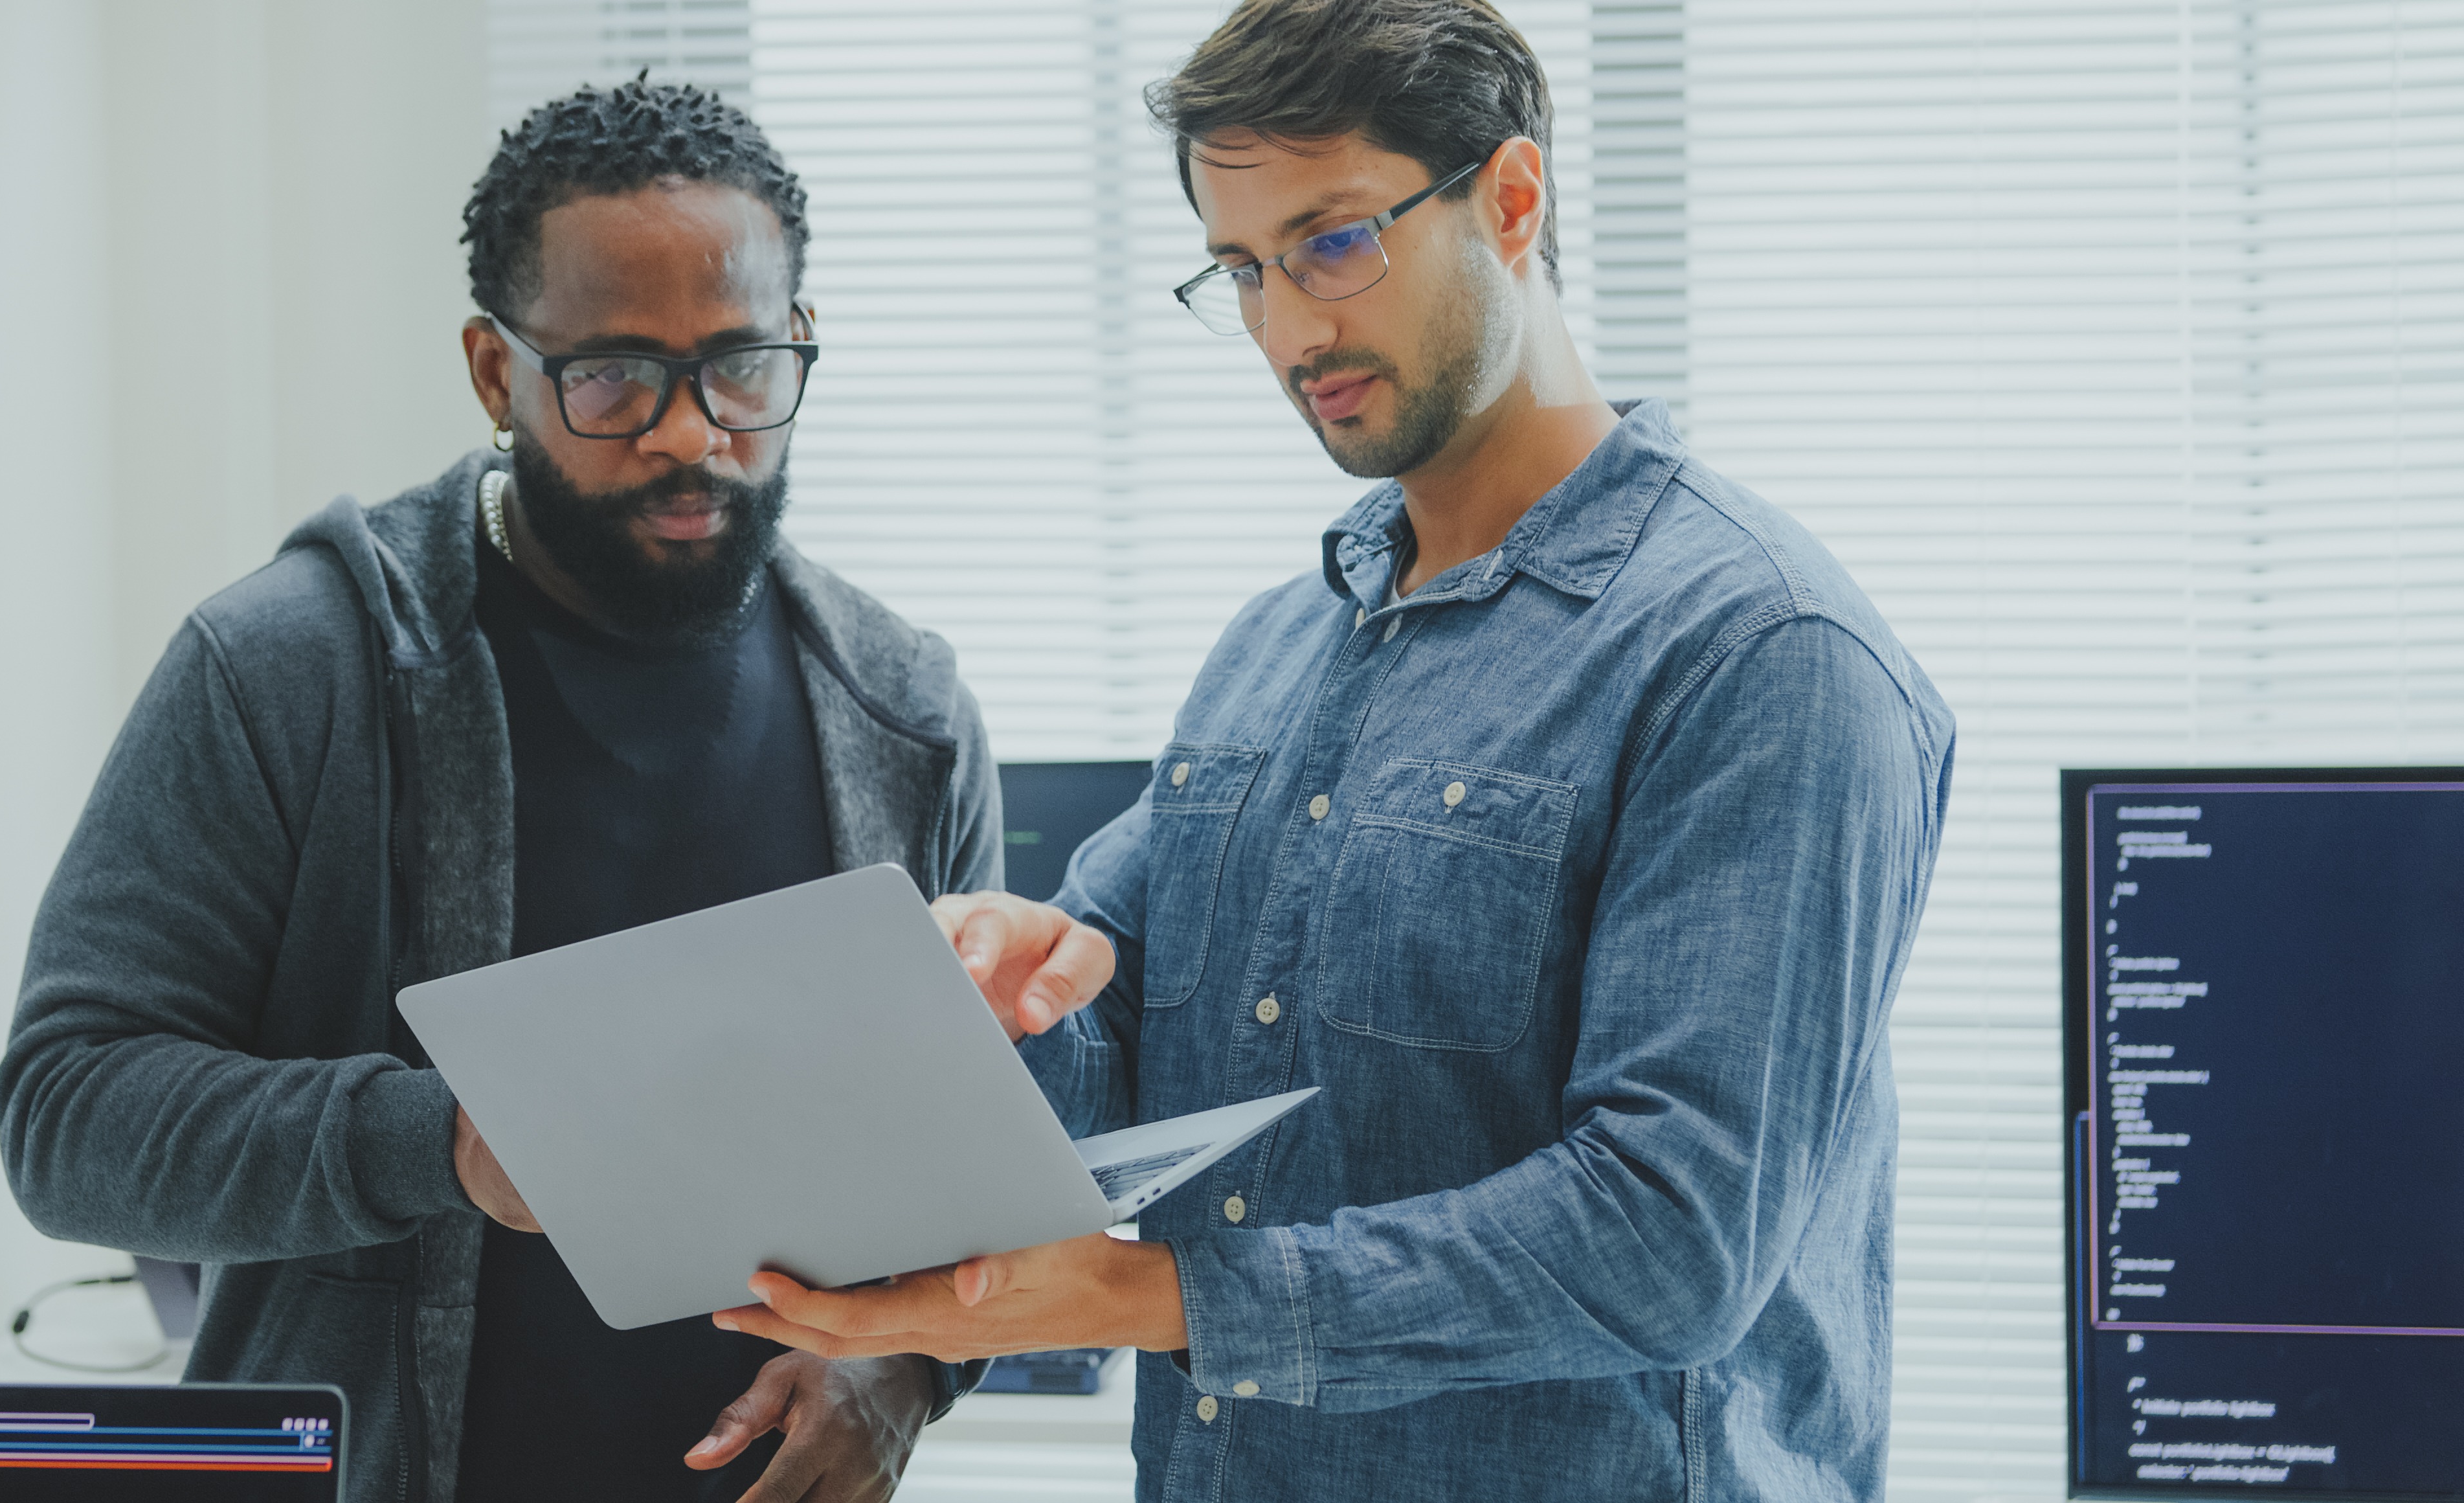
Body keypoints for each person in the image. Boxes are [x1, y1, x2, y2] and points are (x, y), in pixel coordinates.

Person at [714, 3, 1954, 1499]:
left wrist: (1147, 1299)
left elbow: (1669, 1235)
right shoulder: (1273, 650)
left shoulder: (1761, 654)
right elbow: (1116, 1052)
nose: (1290, 329)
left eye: (1334, 241)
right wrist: (997, 991)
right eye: (1241, 269)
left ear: (1510, 197)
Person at [0, 79, 997, 1503]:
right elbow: (65, 1119)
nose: (688, 434)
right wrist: (446, 1145)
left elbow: (968, 1179)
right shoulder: (285, 669)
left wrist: (904, 1371)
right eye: (611, 378)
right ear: (492, 371)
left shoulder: (905, 712)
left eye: (741, 368)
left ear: (803, 342)